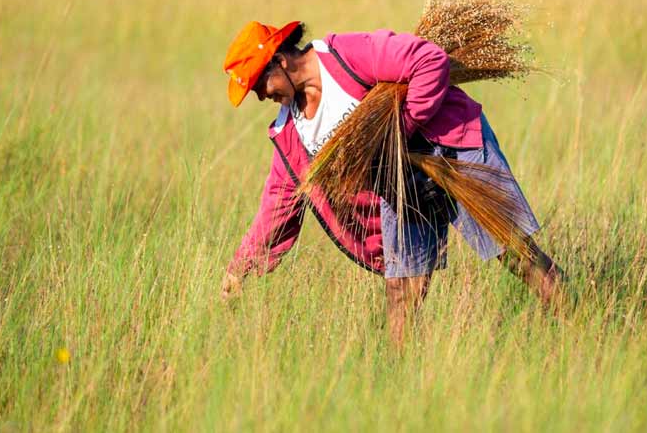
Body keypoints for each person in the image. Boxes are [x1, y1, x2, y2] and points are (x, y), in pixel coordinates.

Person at [219, 20, 565, 342]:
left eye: (259, 83)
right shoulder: (291, 131)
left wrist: (398, 131)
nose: (261, 96)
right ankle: (402, 385)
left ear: (280, 60)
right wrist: (240, 267)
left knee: (517, 256)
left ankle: (581, 326)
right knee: (402, 293)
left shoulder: (348, 56)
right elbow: (279, 201)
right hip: (400, 186)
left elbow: (429, 60)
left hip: (451, 146)